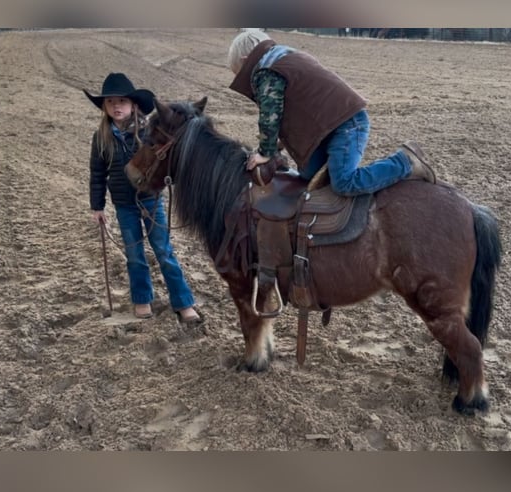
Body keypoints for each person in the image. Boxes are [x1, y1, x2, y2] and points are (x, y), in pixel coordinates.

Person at [227, 30, 436, 195]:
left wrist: (265, 152)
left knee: (344, 182)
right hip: (333, 125)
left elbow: (270, 115)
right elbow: (295, 110)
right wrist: (277, 146)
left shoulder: (267, 72)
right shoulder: (283, 58)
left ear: (247, 60)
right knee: (307, 174)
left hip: (347, 124)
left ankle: (406, 162)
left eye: (242, 75)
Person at [85, 73, 202, 324]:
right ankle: (141, 298)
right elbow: (97, 173)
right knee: (134, 254)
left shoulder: (150, 130)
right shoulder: (101, 138)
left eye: (122, 101)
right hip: (123, 205)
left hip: (150, 200)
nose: (117, 106)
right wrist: (97, 206)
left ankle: (183, 301)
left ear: (134, 105)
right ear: (105, 107)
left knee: (163, 250)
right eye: (111, 102)